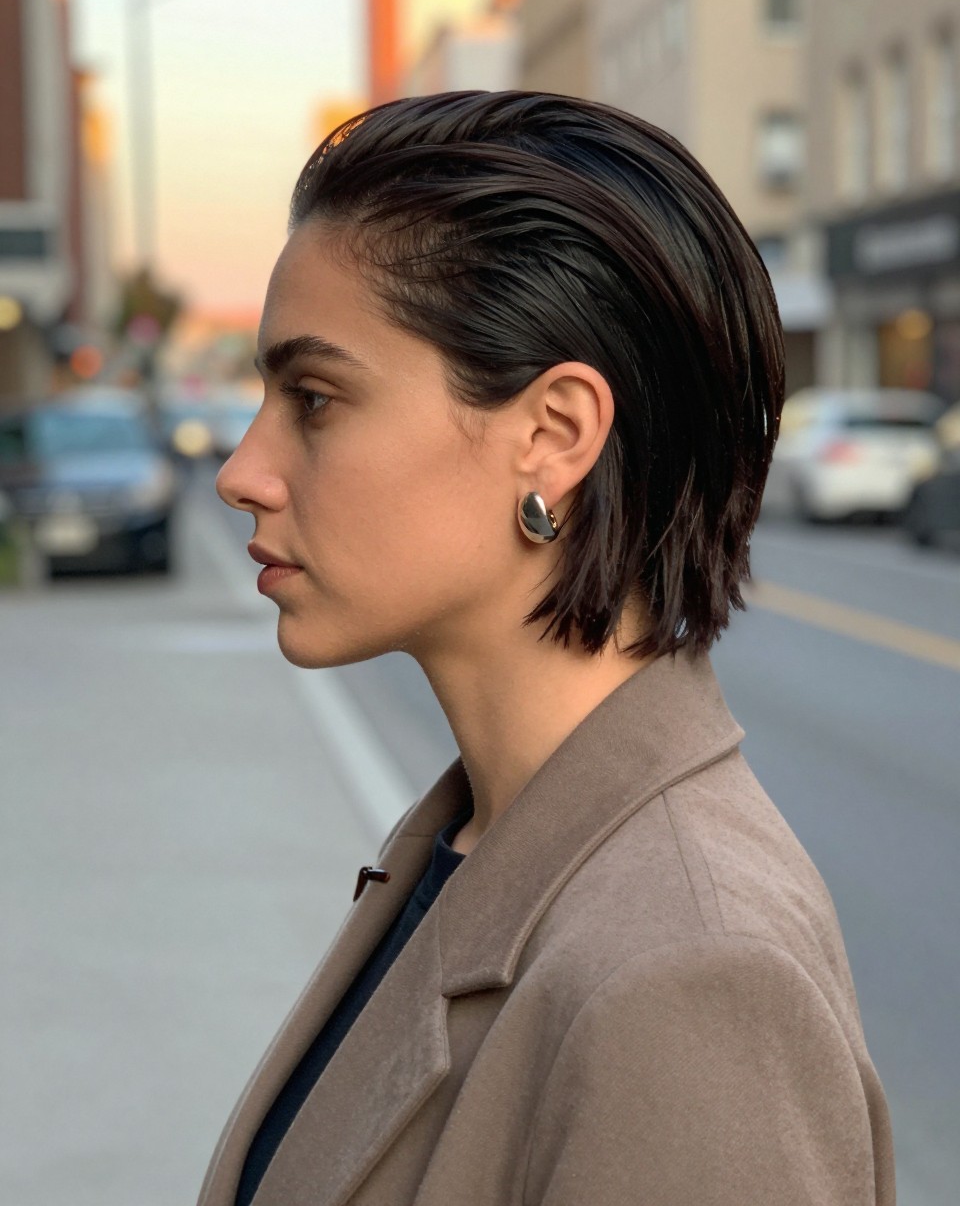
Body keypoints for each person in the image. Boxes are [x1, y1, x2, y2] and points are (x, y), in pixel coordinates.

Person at [205, 90, 894, 1206]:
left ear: (554, 434)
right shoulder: (472, 844)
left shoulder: (690, 974)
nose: (243, 470)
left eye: (315, 398)